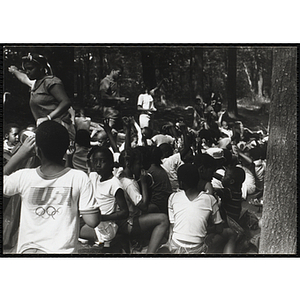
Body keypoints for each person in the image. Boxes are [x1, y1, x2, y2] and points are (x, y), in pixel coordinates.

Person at [3, 121, 101, 254]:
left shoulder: (24, 177)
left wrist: (20, 154)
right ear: (67, 147)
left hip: (28, 251)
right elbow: (93, 221)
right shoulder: (79, 177)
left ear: (37, 150)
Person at [8, 53, 75, 141]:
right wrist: (14, 71)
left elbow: (66, 102)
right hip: (47, 129)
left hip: (61, 128)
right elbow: (23, 78)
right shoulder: (36, 83)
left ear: (40, 67)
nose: (27, 72)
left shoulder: (51, 82)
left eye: (30, 68)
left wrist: (48, 117)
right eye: (26, 69)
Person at [117, 148, 169, 253]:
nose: (141, 166)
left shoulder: (121, 176)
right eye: (138, 163)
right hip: (128, 222)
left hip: (125, 219)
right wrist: (144, 184)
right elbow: (143, 206)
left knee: (154, 208)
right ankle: (150, 252)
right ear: (128, 164)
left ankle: (143, 239)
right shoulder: (129, 184)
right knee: (163, 219)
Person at [168, 164, 223, 254]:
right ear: (198, 180)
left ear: (181, 183)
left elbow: (173, 225)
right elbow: (219, 229)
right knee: (228, 233)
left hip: (175, 245)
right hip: (196, 248)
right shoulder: (210, 199)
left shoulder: (173, 197)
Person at [79, 146, 128, 248]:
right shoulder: (94, 176)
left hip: (105, 227)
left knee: (70, 228)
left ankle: (110, 241)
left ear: (111, 163)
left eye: (102, 161)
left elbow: (125, 212)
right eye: (95, 161)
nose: (98, 165)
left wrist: (101, 218)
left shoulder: (114, 184)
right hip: (93, 221)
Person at [99, 64, 128, 129]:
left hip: (116, 112)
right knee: (109, 131)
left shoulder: (115, 82)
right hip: (109, 113)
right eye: (118, 73)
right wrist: (119, 99)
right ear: (113, 71)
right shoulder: (106, 81)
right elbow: (103, 96)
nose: (120, 75)